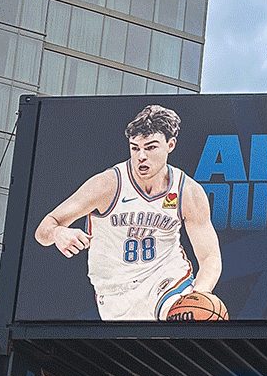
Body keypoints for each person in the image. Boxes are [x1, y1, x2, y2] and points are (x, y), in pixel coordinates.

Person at [34, 104, 222, 320]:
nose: (141, 156)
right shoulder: (107, 184)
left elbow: (210, 257)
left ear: (170, 145)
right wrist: (58, 233)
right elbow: (44, 230)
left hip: (167, 281)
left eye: (150, 148)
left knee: (193, 317)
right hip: (114, 292)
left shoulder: (187, 191)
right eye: (135, 148)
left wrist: (199, 295)